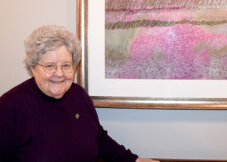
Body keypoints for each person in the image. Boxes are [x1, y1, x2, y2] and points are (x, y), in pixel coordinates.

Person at [0, 25, 159, 162]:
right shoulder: (8, 107)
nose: (59, 73)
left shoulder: (78, 95)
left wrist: (134, 160)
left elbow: (99, 138)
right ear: (33, 67)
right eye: (49, 66)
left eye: (66, 65)